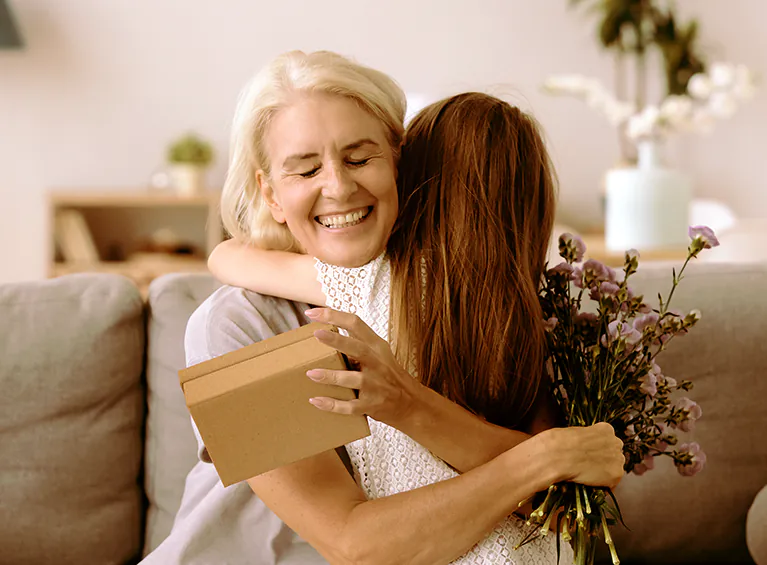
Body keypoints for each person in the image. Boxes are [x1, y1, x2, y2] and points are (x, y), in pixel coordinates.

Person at [142, 50, 623, 565]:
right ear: (272, 195)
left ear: (400, 163)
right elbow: (353, 543)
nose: (338, 186)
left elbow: (562, 505)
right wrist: (543, 459)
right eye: (305, 169)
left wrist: (547, 461)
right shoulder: (239, 325)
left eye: (358, 158)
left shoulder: (473, 304)